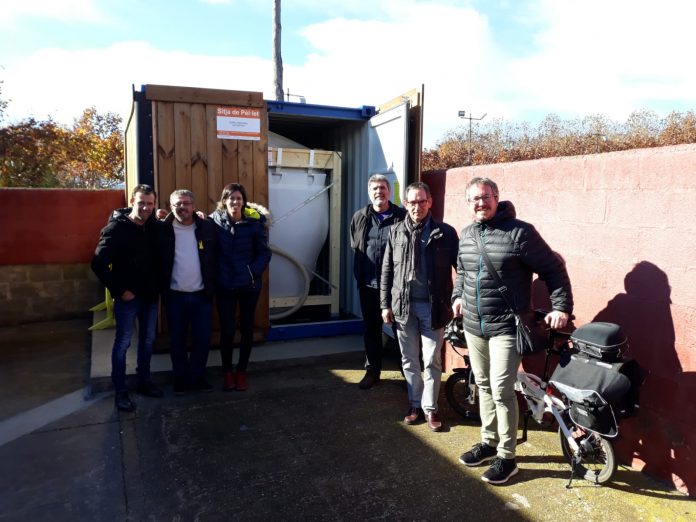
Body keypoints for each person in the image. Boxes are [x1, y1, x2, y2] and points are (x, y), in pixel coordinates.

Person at [452, 176, 573, 485]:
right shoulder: (466, 235)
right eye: (475, 199)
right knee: (483, 384)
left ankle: (507, 457)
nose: (481, 202)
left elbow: (553, 269)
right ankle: (488, 442)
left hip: (507, 325)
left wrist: (561, 308)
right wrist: (457, 298)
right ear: (468, 203)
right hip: (475, 325)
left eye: (486, 197)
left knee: (502, 387)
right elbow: (463, 274)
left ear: (497, 198)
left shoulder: (520, 233)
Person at [381, 181, 459, 432]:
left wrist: (457, 297)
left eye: (422, 201)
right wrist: (385, 304)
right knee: (408, 359)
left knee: (432, 359)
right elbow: (387, 271)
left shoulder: (445, 232)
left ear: (430, 202)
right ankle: (415, 404)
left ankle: (430, 408)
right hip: (403, 306)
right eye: (412, 202)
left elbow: (462, 269)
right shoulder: (395, 231)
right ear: (406, 204)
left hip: (432, 307)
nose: (417, 206)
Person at [91, 184, 163, 412]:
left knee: (148, 340)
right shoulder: (116, 228)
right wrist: (120, 290)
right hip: (128, 298)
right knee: (123, 343)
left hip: (150, 296)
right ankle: (120, 391)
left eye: (150, 204)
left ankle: (144, 381)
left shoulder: (153, 227)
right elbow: (98, 264)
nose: (146, 207)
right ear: (132, 201)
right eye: (142, 202)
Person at [210, 183, 272, 392]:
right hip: (225, 285)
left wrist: (251, 272)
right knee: (227, 330)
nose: (235, 202)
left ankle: (242, 372)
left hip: (248, 285)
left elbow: (264, 253)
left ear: (243, 201)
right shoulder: (214, 222)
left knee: (246, 329)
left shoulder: (254, 223)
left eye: (239, 198)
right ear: (224, 200)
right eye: (231, 198)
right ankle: (227, 372)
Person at [350, 174, 406, 389]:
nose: (378, 192)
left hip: (397, 286)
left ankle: (408, 373)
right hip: (369, 285)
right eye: (374, 188)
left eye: (382, 188)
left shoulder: (402, 217)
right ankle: (373, 371)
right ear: (369, 191)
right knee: (371, 328)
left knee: (402, 330)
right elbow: (356, 247)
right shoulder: (360, 217)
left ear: (389, 191)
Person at [159, 189, 218, 394]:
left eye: (186, 203)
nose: (182, 207)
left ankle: (197, 377)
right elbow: (130, 217)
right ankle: (181, 380)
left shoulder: (207, 227)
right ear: (171, 207)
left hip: (202, 295)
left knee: (202, 340)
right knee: (177, 340)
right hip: (175, 295)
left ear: (194, 206)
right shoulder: (162, 229)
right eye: (177, 204)